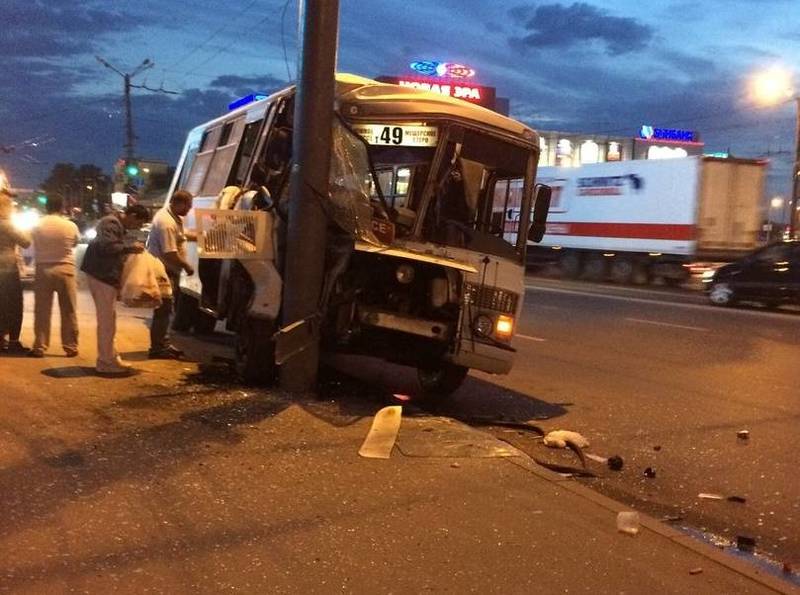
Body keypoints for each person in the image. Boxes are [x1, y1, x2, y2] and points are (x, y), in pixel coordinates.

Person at [80, 204, 151, 374]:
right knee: (106, 322)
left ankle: (111, 357)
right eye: (138, 223)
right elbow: (108, 247)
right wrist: (130, 248)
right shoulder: (111, 223)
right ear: (132, 215)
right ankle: (105, 362)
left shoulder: (114, 224)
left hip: (104, 276)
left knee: (109, 320)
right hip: (101, 275)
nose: (137, 227)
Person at [29, 195, 80, 358]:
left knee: (42, 310)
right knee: (69, 310)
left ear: (46, 207)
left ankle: (40, 346)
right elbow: (74, 243)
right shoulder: (70, 225)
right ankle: (70, 346)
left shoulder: (37, 225)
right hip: (66, 269)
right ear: (61, 207)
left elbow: (31, 242)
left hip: (43, 269)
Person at [146, 189, 195, 359]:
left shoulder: (171, 216)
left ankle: (162, 343)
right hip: (163, 270)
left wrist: (200, 236)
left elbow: (179, 235)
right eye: (188, 207)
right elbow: (169, 253)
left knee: (166, 309)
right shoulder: (166, 222)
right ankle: (158, 348)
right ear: (179, 203)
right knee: (163, 309)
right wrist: (187, 266)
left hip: (167, 270)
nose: (188, 211)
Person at [0, 189, 31, 354]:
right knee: (14, 304)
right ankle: (13, 341)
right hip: (8, 268)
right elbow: (26, 242)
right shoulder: (7, 224)